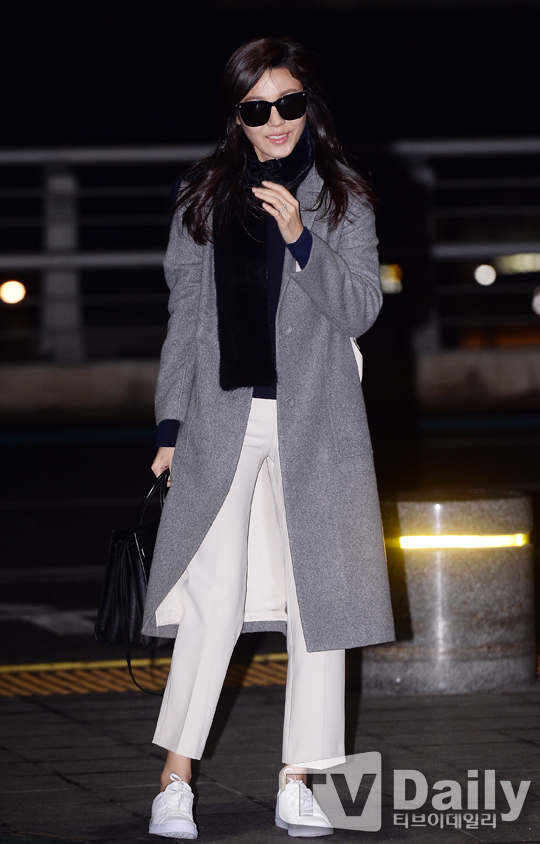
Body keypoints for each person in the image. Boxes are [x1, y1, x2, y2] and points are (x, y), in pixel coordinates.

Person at [142, 35, 395, 840]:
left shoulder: (342, 196)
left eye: (288, 103)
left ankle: (301, 779)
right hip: (223, 420)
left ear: (307, 105)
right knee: (211, 597)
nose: (276, 120)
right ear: (238, 117)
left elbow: (361, 310)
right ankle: (174, 780)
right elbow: (185, 318)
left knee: (320, 601)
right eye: (258, 109)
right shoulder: (203, 197)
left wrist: (300, 239)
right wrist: (170, 424)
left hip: (318, 423)